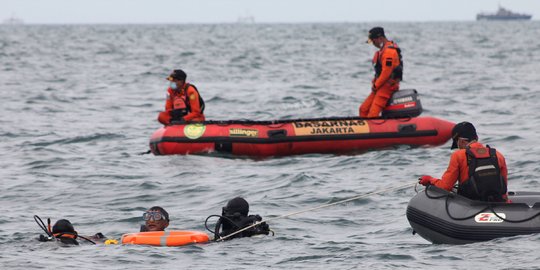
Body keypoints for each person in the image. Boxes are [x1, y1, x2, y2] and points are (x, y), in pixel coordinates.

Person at [419, 122, 509, 202]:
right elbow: (504, 189)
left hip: (470, 205)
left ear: (461, 141)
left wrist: (430, 180)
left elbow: (445, 186)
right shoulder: (497, 155)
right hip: (497, 203)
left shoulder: (458, 155)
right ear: (476, 137)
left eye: (457, 144)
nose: (458, 147)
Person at [359, 27, 403, 118]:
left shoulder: (389, 52)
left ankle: (372, 128)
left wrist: (376, 85)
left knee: (372, 114)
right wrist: (375, 84)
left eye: (373, 42)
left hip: (387, 87)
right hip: (379, 86)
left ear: (380, 39)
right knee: (363, 109)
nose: (373, 44)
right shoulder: (383, 50)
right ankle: (362, 128)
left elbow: (386, 73)